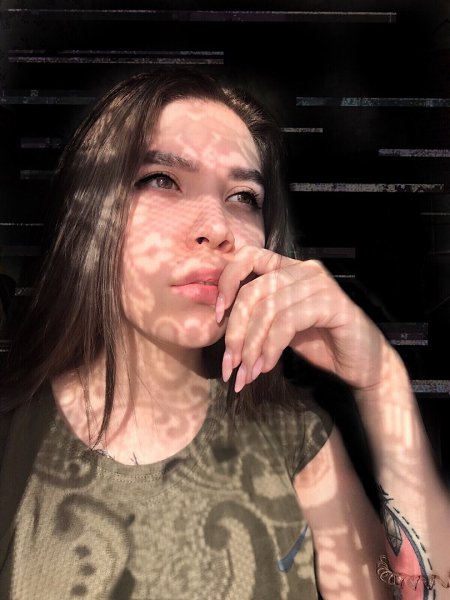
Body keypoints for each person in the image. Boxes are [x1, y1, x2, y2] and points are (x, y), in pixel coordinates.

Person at [0, 67, 448, 600]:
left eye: (243, 197)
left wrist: (382, 381)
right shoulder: (13, 438)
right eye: (161, 179)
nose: (217, 227)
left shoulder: (296, 438)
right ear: (89, 215)